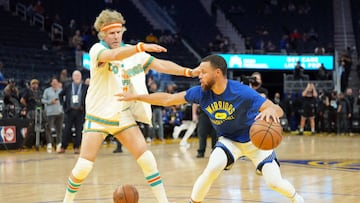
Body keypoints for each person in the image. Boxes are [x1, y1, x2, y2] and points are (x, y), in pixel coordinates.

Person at [116, 54, 305, 203]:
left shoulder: (241, 91)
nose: (199, 75)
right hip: (229, 141)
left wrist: (270, 110)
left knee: (274, 183)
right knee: (212, 168)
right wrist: (137, 96)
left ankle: (297, 198)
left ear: (218, 73)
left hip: (255, 141)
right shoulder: (200, 93)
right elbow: (168, 99)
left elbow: (277, 109)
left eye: (203, 72)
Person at [61, 9, 198, 203]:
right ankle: (67, 200)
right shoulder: (97, 50)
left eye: (118, 32)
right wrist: (140, 47)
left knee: (148, 160)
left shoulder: (134, 53)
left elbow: (161, 64)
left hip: (122, 114)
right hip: (98, 116)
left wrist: (188, 71)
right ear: (102, 34)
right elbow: (115, 55)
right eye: (111, 33)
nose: (116, 36)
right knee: (83, 166)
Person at [58, 70, 88, 154]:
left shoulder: (85, 87)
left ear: (81, 77)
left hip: (80, 111)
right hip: (70, 111)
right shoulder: (68, 86)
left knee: (79, 130)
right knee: (66, 130)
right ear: (72, 77)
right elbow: (60, 95)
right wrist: (64, 106)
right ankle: (63, 147)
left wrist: (86, 107)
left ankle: (77, 147)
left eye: (78, 76)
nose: (77, 77)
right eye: (75, 76)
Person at [20, 79, 51, 149]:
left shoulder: (39, 92)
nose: (35, 85)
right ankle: (24, 144)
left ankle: (48, 142)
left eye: (36, 84)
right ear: (31, 85)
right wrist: (27, 106)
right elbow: (22, 100)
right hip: (32, 111)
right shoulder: (27, 91)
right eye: (33, 84)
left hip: (40, 111)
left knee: (46, 125)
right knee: (31, 127)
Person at [41, 77, 64, 153]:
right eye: (53, 82)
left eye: (56, 82)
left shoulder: (61, 91)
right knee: (49, 129)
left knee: (59, 129)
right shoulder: (47, 91)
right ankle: (49, 143)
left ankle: (59, 143)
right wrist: (50, 102)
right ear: (51, 83)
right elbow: (43, 100)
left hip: (59, 112)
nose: (54, 83)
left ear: (57, 83)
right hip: (50, 113)